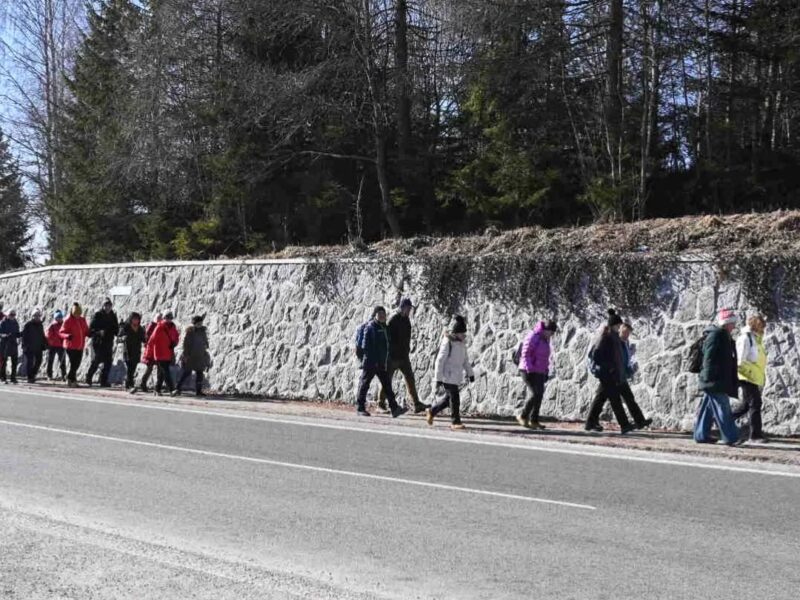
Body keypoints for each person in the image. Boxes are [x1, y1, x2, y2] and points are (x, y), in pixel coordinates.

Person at [693, 308, 741, 445]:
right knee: (723, 407)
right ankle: (731, 437)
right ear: (726, 323)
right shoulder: (717, 335)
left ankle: (701, 435)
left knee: (707, 409)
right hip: (714, 379)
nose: (734, 326)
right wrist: (708, 378)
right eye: (733, 323)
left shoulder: (723, 335)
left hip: (716, 378)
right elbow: (708, 358)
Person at [584, 309, 635, 434]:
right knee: (614, 399)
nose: (619, 327)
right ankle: (624, 425)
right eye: (618, 325)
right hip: (607, 374)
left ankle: (590, 422)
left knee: (601, 398)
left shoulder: (613, 336)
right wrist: (609, 367)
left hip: (611, 373)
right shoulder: (606, 337)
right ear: (613, 325)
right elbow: (597, 355)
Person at [355, 306, 407, 418]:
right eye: (380, 314)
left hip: (381, 363)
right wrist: (371, 360)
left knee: (387, 385)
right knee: (364, 384)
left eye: (384, 314)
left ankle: (394, 408)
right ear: (375, 315)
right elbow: (365, 347)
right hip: (371, 363)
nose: (383, 316)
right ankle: (360, 408)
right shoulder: (371, 328)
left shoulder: (384, 327)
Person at [378, 298, 428, 414]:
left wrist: (407, 348)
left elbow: (407, 336)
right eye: (408, 308)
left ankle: (416, 404)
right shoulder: (394, 320)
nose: (410, 310)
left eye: (410, 308)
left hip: (404, 356)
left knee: (410, 378)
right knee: (387, 380)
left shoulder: (407, 320)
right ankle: (380, 403)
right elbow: (388, 338)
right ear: (403, 307)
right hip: (393, 356)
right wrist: (390, 352)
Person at [426, 315, 475, 430]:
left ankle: (431, 411)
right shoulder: (448, 342)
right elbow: (440, 360)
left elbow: (465, 361)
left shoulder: (461, 344)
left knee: (448, 400)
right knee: (455, 399)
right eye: (462, 333)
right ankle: (455, 421)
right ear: (456, 333)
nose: (464, 335)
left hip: (455, 376)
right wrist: (437, 379)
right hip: (447, 376)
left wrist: (470, 373)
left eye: (464, 333)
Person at [516, 319, 558, 429]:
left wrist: (546, 370)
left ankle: (534, 420)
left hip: (539, 371)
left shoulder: (545, 339)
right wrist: (529, 369)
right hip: (527, 370)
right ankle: (523, 416)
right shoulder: (533, 336)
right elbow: (525, 354)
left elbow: (544, 357)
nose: (552, 335)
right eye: (551, 332)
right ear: (546, 330)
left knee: (539, 395)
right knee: (535, 393)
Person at [733, 314, 768, 443]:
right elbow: (740, 361)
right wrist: (750, 374)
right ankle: (755, 435)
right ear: (756, 326)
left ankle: (723, 420)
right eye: (761, 327)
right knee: (755, 404)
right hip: (746, 377)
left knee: (746, 406)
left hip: (752, 377)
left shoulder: (755, 339)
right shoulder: (745, 339)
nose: (763, 330)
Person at [619, 322, 653, 430]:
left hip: (621, 376)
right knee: (602, 399)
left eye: (628, 334)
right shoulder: (615, 343)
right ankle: (591, 420)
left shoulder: (625, 342)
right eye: (625, 333)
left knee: (629, 399)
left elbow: (626, 358)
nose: (626, 335)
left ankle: (640, 421)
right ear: (620, 330)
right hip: (613, 376)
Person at [173, 315, 210, 397]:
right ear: (194, 323)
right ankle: (178, 388)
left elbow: (205, 341)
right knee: (186, 373)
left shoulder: (202, 331)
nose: (200, 324)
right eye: (198, 323)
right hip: (190, 356)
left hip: (200, 355)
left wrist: (206, 346)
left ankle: (198, 391)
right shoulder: (190, 332)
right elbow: (186, 344)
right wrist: (186, 355)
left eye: (201, 322)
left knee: (200, 374)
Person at [86, 298, 119, 387]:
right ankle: (89, 378)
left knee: (108, 362)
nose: (108, 307)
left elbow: (116, 330)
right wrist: (98, 332)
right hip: (98, 342)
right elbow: (90, 331)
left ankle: (103, 381)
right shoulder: (97, 315)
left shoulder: (113, 316)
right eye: (106, 305)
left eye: (109, 306)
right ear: (103, 306)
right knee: (96, 361)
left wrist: (120, 330)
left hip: (108, 342)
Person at [145, 311, 179, 396]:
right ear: (164, 318)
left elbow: (176, 337)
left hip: (168, 353)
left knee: (162, 373)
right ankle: (172, 389)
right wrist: (148, 354)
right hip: (159, 353)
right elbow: (151, 340)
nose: (169, 319)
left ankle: (157, 389)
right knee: (166, 371)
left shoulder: (173, 327)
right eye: (167, 317)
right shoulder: (159, 327)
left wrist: (175, 343)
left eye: (170, 318)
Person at [60, 303, 91, 387]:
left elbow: (86, 330)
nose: (77, 315)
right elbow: (61, 332)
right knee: (74, 364)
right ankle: (72, 380)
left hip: (80, 346)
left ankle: (69, 378)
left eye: (78, 313)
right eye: (75, 314)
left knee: (77, 364)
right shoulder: (68, 320)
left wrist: (90, 333)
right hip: (70, 346)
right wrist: (67, 336)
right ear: (72, 312)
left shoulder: (82, 320)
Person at [117, 312, 146, 391]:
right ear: (131, 319)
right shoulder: (126, 327)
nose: (136, 320)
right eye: (134, 319)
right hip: (128, 351)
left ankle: (127, 384)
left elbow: (144, 339)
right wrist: (122, 338)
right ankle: (130, 385)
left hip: (136, 351)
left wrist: (146, 338)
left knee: (133, 368)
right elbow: (118, 338)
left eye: (137, 319)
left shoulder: (140, 329)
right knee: (130, 368)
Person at [135, 312, 162, 394]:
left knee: (159, 369)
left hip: (158, 350)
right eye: (158, 317)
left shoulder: (161, 326)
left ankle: (157, 386)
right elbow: (147, 337)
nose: (159, 319)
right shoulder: (152, 326)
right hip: (151, 350)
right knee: (149, 368)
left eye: (160, 318)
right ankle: (143, 383)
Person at [21, 308, 47, 383]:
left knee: (39, 361)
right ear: (32, 316)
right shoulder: (28, 325)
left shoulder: (40, 325)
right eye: (35, 315)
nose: (37, 317)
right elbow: (24, 336)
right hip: (29, 347)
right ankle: (30, 377)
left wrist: (45, 343)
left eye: (38, 315)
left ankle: (33, 373)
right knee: (30, 362)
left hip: (38, 347)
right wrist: (24, 346)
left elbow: (42, 335)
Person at [0, 310, 21, 383]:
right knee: (4, 362)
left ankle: (13, 378)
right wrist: (5, 335)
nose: (13, 316)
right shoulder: (3, 322)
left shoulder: (15, 323)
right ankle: (3, 378)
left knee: (14, 361)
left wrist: (21, 334)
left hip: (13, 344)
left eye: (14, 314)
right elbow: (0, 333)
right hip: (5, 344)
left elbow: (17, 333)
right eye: (11, 314)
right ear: (7, 315)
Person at [46, 310, 67, 381]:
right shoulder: (52, 325)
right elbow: (48, 335)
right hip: (53, 345)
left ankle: (64, 375)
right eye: (58, 317)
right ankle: (49, 375)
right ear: (56, 318)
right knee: (50, 360)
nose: (60, 318)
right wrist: (52, 340)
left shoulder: (64, 325)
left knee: (62, 361)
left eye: (61, 317)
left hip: (61, 345)